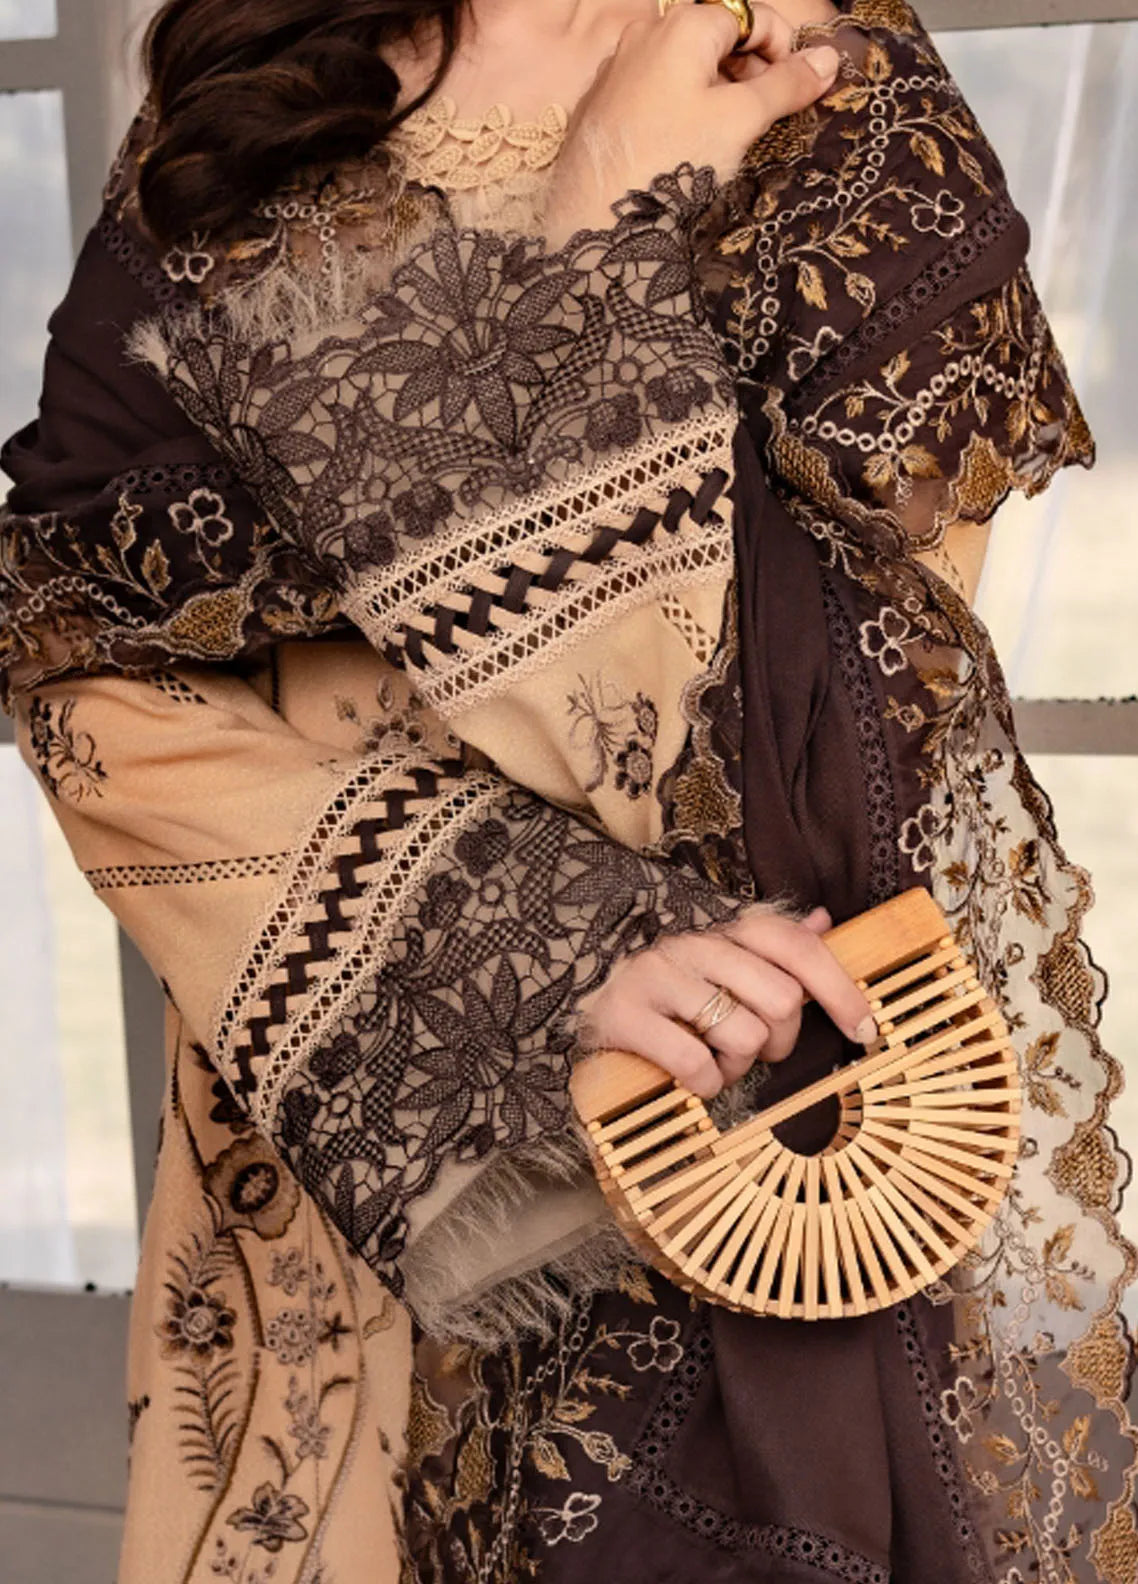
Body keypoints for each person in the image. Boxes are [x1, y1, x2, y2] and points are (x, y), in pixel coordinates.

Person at [1, 0, 1134, 1579]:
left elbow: (808, 722)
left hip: (729, 1118)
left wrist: (596, 233)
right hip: (357, 1106)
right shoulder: (254, 96)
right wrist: (535, 952)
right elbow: (76, 663)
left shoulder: (820, 87)